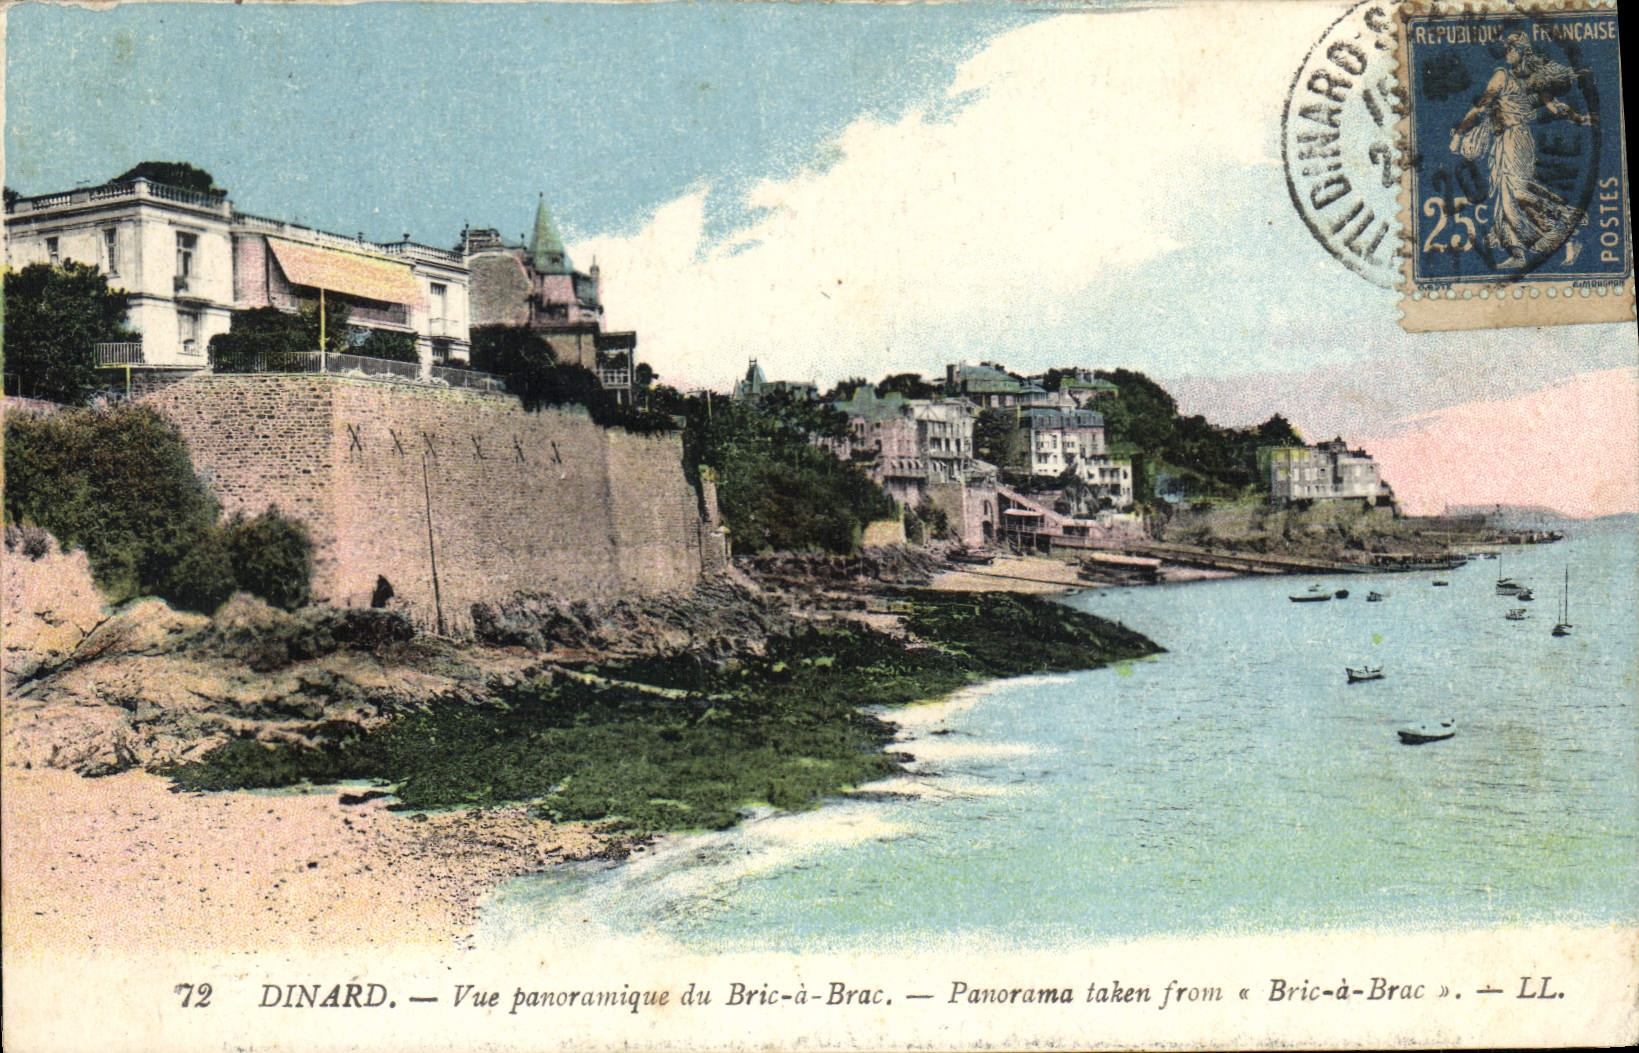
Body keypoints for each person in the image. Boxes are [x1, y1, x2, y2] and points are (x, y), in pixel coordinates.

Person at [1449, 31, 1593, 268]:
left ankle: (1568, 222)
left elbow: (1554, 107)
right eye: (1506, 49)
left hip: (1517, 139)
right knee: (1504, 200)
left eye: (1510, 49)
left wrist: (1579, 118)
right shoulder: (1507, 76)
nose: (1506, 53)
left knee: (1516, 194)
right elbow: (1481, 108)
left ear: (1521, 52)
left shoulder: (1520, 79)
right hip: (1504, 141)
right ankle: (1519, 253)